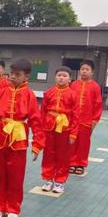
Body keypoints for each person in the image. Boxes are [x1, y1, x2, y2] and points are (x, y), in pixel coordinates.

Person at [0, 58, 45, 217]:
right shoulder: (4, 91)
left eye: (17, 75)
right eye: (11, 74)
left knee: (16, 176)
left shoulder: (29, 95)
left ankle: (13, 209)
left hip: (18, 139)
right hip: (1, 137)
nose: (13, 77)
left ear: (26, 77)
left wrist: (38, 143)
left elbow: (36, 120)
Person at [40, 66, 78, 194]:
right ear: (55, 77)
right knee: (48, 153)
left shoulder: (73, 94)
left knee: (63, 155)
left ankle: (60, 181)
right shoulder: (49, 92)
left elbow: (76, 115)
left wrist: (73, 133)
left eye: (65, 76)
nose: (61, 78)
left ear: (70, 79)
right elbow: (43, 111)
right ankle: (48, 178)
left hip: (65, 127)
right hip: (49, 127)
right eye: (59, 75)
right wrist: (41, 129)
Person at [69, 60, 102, 175]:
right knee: (72, 141)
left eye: (87, 69)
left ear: (92, 72)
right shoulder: (74, 84)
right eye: (82, 69)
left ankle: (81, 164)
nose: (84, 71)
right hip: (73, 120)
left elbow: (98, 104)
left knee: (84, 143)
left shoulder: (95, 86)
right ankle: (72, 162)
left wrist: (94, 120)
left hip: (87, 121)